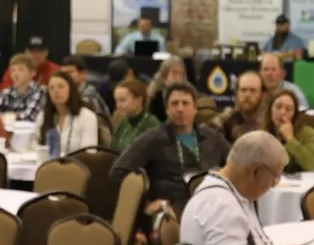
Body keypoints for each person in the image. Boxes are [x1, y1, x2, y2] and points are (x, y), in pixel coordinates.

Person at [111, 84, 231, 214]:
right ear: (167, 110)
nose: (180, 109)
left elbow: (235, 166)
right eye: (174, 104)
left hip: (211, 206)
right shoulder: (153, 138)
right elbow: (118, 171)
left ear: (195, 108)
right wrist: (146, 204)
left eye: (185, 103)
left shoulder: (212, 137)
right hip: (172, 210)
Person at [39, 71, 100, 158]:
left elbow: (89, 153)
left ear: (71, 89)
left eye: (61, 86)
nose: (56, 91)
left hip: (77, 167)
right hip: (47, 166)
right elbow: (34, 143)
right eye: (51, 88)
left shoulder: (86, 116)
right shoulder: (43, 116)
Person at [264, 88, 314, 174]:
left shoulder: (308, 134)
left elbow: (313, 166)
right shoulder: (262, 133)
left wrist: (291, 139)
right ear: (270, 109)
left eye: (288, 109)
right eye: (278, 107)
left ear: (294, 114)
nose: (282, 112)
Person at [108, 75, 155, 157]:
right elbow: (112, 150)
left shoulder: (151, 124)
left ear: (139, 101)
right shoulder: (123, 121)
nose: (118, 105)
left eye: (122, 100)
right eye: (116, 101)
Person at [216, 69, 266, 143]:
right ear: (236, 93)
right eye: (243, 90)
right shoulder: (227, 119)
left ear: (262, 95)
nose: (247, 95)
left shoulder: (269, 121)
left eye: (253, 90)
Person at [0, 54, 45, 125]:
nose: (15, 74)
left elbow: (29, 117)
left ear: (32, 73)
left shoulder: (39, 92)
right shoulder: (6, 92)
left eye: (21, 69)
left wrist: (7, 116)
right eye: (13, 70)